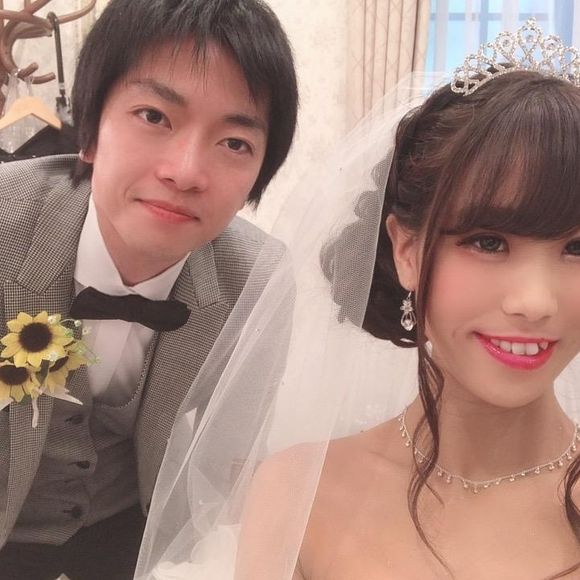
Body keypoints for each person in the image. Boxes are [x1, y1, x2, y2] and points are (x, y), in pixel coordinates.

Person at [135, 18, 580, 580]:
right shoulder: (299, 493)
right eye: (488, 242)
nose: (535, 302)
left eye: (576, 248)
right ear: (406, 250)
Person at [0, 0, 298, 579]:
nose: (185, 172)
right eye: (154, 116)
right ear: (90, 131)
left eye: (234, 143)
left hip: (135, 540)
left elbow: (228, 470)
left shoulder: (256, 282)